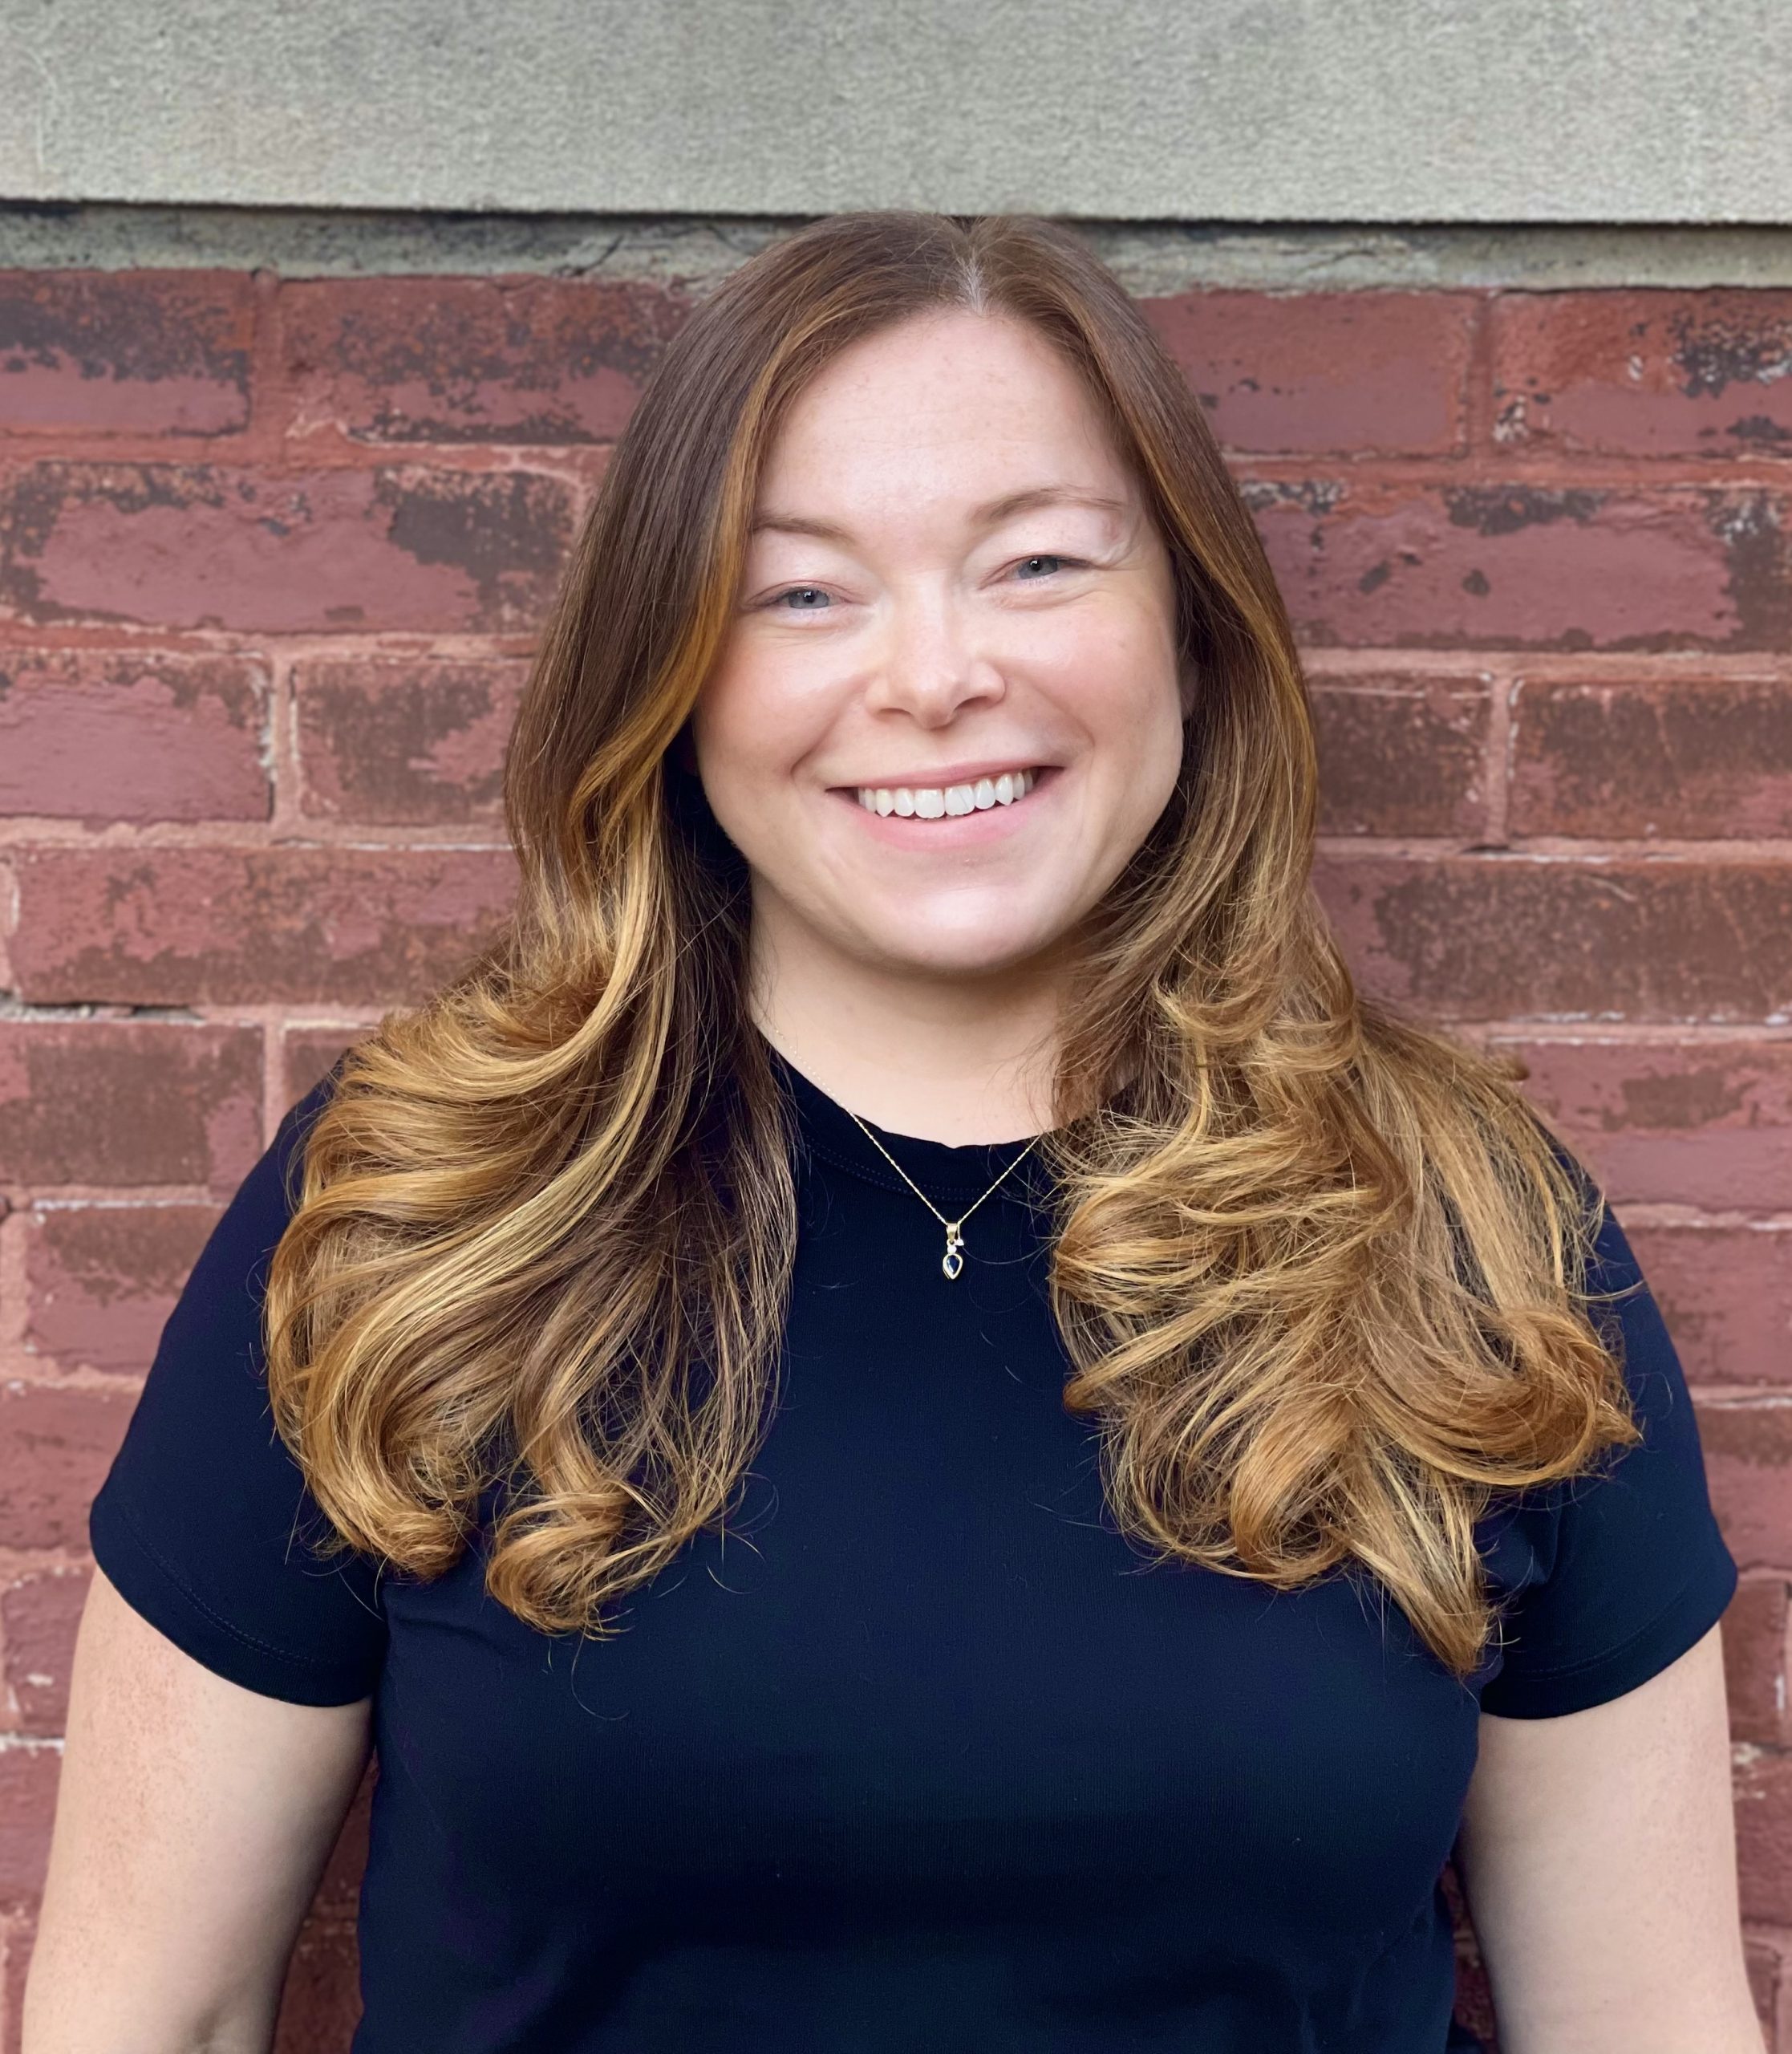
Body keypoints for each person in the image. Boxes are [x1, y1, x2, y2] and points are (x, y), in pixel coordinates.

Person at [23, 211, 1759, 2053]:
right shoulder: (417, 1214)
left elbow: (1641, 2014)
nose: (932, 675)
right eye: (802, 590)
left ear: (1188, 623)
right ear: (672, 676)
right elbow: (155, 2009)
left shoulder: (1465, 1233)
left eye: (1033, 564)